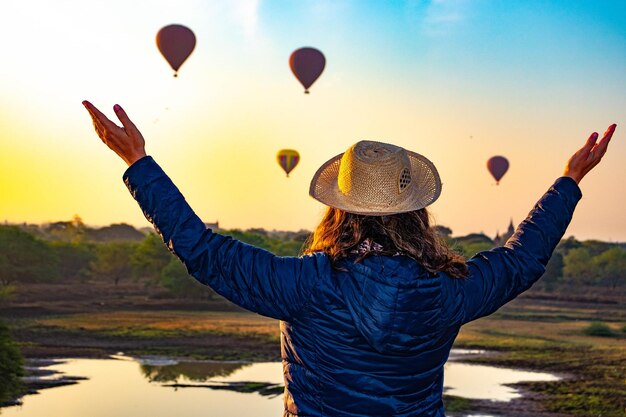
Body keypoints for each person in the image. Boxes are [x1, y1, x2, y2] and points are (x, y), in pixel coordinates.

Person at [83, 100, 615, 417]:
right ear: (417, 212)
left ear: (339, 210)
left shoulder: (306, 283)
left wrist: (138, 163)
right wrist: (569, 181)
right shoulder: (449, 291)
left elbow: (203, 250)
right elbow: (521, 260)